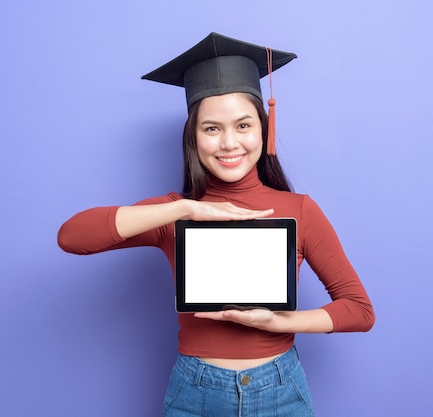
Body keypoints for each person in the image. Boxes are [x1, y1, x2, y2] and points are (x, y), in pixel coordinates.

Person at [58, 32, 374, 417]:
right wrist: (185, 209)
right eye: (212, 128)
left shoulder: (301, 210)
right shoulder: (174, 213)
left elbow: (359, 311)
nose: (229, 143)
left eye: (243, 126)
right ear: (193, 137)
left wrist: (277, 322)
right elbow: (72, 237)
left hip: (280, 389)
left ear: (263, 129)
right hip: (196, 392)